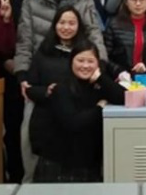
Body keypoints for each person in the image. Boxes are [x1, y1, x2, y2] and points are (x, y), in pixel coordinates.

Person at [14, 0, 106, 183]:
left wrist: (101, 68)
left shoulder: (83, 0)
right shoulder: (31, 2)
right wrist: (22, 78)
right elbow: (23, 43)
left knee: (80, 140)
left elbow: (95, 36)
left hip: (79, 83)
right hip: (41, 83)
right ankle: (30, 189)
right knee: (29, 140)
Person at [29, 40, 125, 182]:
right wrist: (99, 109)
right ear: (71, 62)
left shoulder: (99, 85)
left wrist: (101, 78)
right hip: (59, 164)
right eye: (80, 60)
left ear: (98, 64)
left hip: (89, 162)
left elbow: (124, 97)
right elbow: (73, 122)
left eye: (90, 61)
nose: (85, 66)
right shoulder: (61, 88)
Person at [0, 0, 40, 183]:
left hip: (37, 74)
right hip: (7, 75)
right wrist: (6, 60)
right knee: (12, 132)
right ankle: (14, 179)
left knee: (36, 132)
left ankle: (35, 181)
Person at [25, 6, 87, 105]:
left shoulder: (86, 51)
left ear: (79, 26)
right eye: (62, 23)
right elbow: (30, 88)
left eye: (71, 23)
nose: (66, 27)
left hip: (77, 107)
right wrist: (47, 91)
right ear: (55, 25)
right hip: (46, 108)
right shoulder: (44, 49)